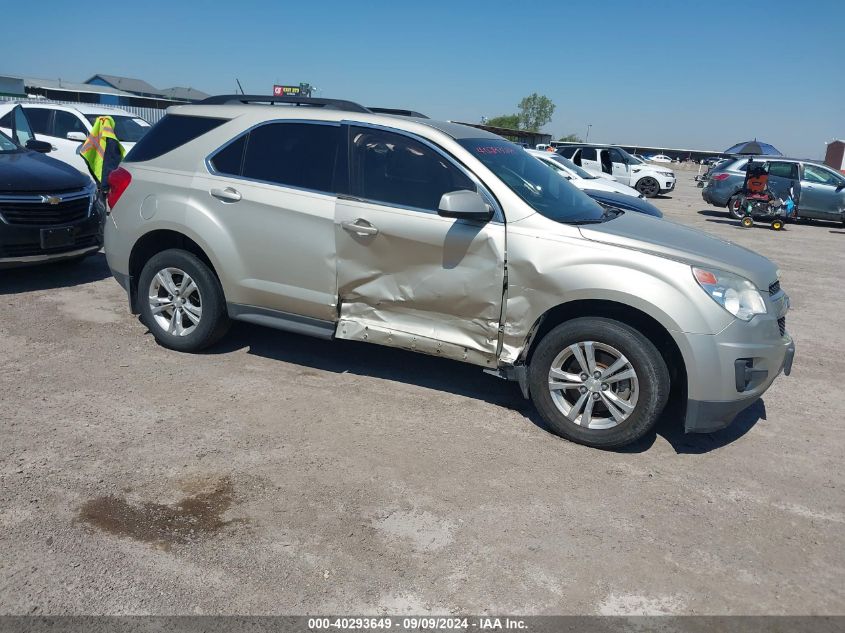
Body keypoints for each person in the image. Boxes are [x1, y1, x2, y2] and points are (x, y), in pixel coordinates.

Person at [79, 115, 125, 195]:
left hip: (99, 181)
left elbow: (86, 154)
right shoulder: (112, 142)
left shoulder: (93, 138)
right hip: (105, 183)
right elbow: (110, 165)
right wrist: (105, 186)